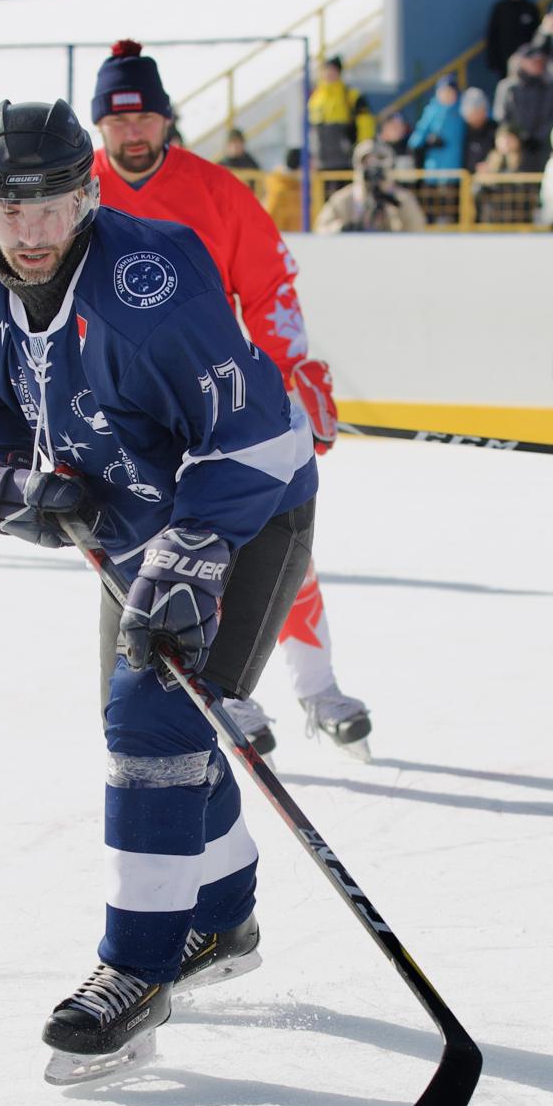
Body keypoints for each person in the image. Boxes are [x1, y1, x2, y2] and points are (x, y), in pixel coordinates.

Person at [0, 98, 318, 1080]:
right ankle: (220, 919)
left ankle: (135, 971)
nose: (33, 230)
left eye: (54, 204)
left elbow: (264, 435)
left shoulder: (154, 275)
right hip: (134, 523)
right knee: (151, 727)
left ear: (87, 195)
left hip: (249, 512)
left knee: (152, 718)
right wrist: (8, 468)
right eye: (10, 208)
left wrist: (198, 545)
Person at [86, 40, 371, 756]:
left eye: (145, 116)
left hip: (220, 402)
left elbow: (270, 291)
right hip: (124, 418)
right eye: (118, 121)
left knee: (281, 550)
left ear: (166, 120)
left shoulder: (216, 190)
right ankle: (213, 690)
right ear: (99, 127)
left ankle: (318, 686)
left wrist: (292, 372)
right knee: (164, 562)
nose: (133, 133)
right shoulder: (74, 192)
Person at [316, 139, 427, 232]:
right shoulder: (345, 199)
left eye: (380, 159)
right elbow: (321, 228)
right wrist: (343, 229)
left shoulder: (402, 199)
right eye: (367, 160)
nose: (373, 165)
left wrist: (394, 206)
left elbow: (417, 228)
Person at [496, 42, 553, 171]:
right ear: (522, 61)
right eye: (533, 61)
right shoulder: (508, 88)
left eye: (540, 61)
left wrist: (538, 137)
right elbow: (502, 118)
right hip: (516, 150)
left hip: (545, 147)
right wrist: (520, 137)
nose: (537, 64)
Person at [307, 54, 376, 173]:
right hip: (321, 161)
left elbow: (366, 125)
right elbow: (312, 130)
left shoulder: (351, 95)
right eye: (326, 70)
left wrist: (364, 151)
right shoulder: (315, 98)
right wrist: (311, 156)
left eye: (333, 70)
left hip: (346, 160)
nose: (329, 74)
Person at [489, 0, 544, 78]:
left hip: (529, 66)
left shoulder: (531, 8)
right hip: (506, 67)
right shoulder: (500, 9)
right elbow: (493, 37)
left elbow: (538, 35)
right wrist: (496, 64)